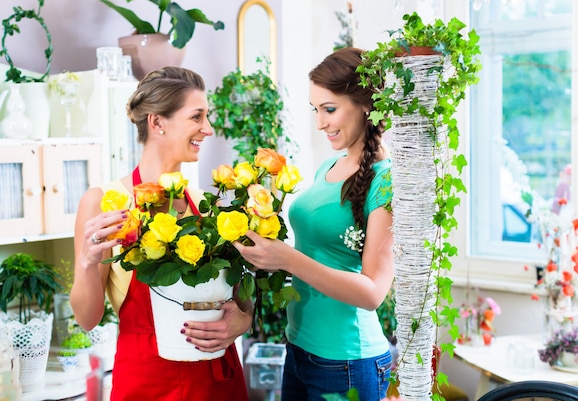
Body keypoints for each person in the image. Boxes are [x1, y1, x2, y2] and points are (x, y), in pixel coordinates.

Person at [70, 67, 251, 401]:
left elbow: (239, 302)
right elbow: (86, 319)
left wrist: (243, 320)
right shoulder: (106, 203)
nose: (207, 129)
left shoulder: (206, 207)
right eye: (197, 117)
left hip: (217, 381)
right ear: (157, 123)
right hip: (146, 383)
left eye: (206, 117)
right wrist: (85, 262)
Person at [233, 47, 394, 401]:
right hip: (300, 348)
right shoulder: (330, 167)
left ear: (366, 104)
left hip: (346, 362)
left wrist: (286, 259)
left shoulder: (387, 182)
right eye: (316, 110)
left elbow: (372, 293)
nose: (320, 122)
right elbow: (320, 250)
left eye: (330, 109)